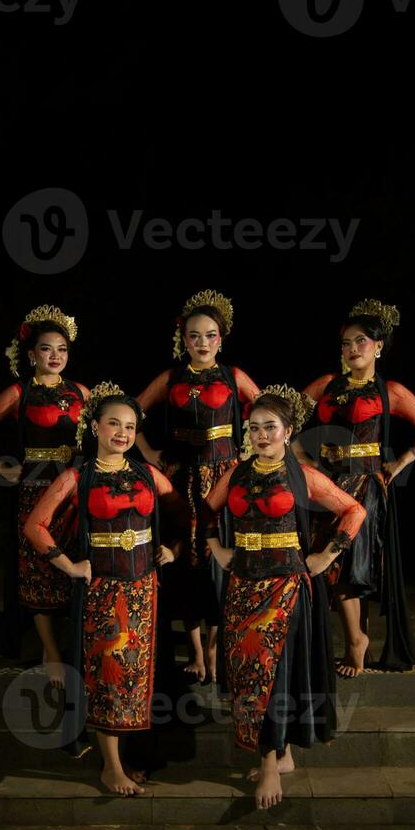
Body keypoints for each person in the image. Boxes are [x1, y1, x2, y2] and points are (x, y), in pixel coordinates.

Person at [204, 387, 366, 810]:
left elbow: (354, 511)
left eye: (269, 427)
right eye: (253, 427)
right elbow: (204, 510)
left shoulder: (303, 474)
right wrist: (216, 548)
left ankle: (271, 765)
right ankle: (284, 753)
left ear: (288, 430)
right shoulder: (236, 473)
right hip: (242, 584)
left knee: (273, 672)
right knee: (249, 672)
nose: (260, 434)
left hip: (287, 585)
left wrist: (325, 556)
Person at [24, 382, 186, 795]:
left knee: (141, 678)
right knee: (108, 678)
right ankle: (110, 766)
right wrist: (68, 565)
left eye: (130, 427)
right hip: (102, 592)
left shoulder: (148, 474)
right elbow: (34, 525)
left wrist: (173, 547)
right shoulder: (78, 476)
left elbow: (180, 514)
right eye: (113, 423)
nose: (122, 433)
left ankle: (134, 758)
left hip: (145, 591)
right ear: (94, 426)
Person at [297, 298, 415, 676]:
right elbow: (283, 415)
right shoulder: (327, 384)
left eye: (360, 341)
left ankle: (356, 643)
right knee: (322, 565)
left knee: (348, 566)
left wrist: (401, 462)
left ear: (378, 346)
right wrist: (300, 457)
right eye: (346, 343)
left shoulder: (390, 391)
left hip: (365, 485)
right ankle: (342, 639)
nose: (351, 349)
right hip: (326, 484)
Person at [135, 289, 259, 683]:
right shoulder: (171, 377)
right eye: (194, 335)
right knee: (184, 559)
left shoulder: (234, 376)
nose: (202, 343)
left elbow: (269, 411)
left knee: (218, 559)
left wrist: (249, 457)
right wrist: (147, 451)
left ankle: (214, 647)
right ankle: (194, 650)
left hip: (223, 479)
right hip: (181, 478)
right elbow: (131, 410)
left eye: (209, 335)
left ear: (221, 338)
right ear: (182, 339)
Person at [0, 305, 89, 685]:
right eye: (46, 349)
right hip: (35, 487)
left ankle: (60, 641)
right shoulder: (19, 392)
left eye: (62, 350)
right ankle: (52, 651)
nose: (55, 356)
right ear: (31, 354)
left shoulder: (82, 393)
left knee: (70, 562)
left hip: (73, 487)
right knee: (38, 566)